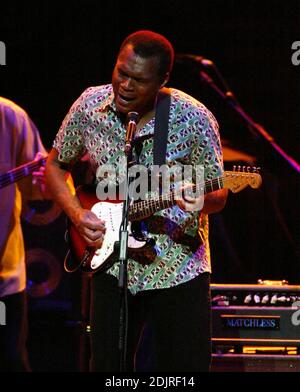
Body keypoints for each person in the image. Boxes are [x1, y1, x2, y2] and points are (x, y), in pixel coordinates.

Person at [45, 30, 228, 372]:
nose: (125, 86)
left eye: (139, 80)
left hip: (179, 267)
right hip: (112, 262)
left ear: (163, 81)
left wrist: (199, 202)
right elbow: (55, 164)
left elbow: (218, 194)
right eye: (121, 73)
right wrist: (75, 213)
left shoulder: (194, 117)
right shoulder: (90, 106)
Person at [0, 96, 47, 371]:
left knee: (10, 360)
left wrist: (47, 182)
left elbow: (41, 186)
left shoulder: (9, 117)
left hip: (4, 279)